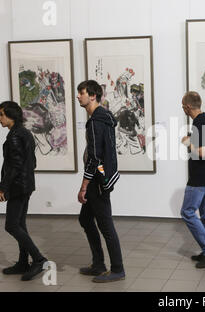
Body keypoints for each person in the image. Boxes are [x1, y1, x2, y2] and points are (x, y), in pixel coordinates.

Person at [0, 101, 48, 281]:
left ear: (11, 116)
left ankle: (39, 259)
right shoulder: (25, 133)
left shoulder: (15, 136)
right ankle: (23, 262)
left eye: (2, 114)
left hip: (18, 186)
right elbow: (32, 162)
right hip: (26, 185)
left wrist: (2, 187)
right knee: (20, 224)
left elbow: (15, 166)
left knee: (11, 225)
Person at [76, 80, 125, 283]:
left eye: (82, 93)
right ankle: (98, 264)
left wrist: (84, 186)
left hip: (97, 181)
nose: (78, 96)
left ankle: (117, 269)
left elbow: (95, 158)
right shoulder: (103, 117)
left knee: (105, 225)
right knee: (85, 219)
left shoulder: (96, 121)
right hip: (102, 177)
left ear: (93, 96)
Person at [180, 91, 205, 268]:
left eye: (183, 106)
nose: (182, 109)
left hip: (199, 176)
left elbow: (202, 152)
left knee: (187, 212)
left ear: (188, 107)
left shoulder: (199, 122)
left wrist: (187, 142)